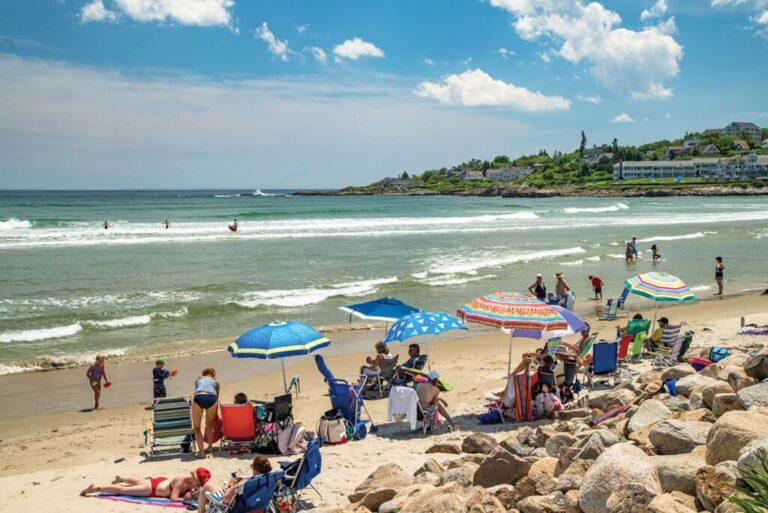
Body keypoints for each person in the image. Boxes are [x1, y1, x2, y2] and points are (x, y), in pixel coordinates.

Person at [81, 467, 210, 501]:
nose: (198, 486)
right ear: (194, 479)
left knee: (139, 481)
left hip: (160, 482)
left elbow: (198, 488)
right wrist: (185, 499)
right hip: (152, 489)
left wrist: (196, 491)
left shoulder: (190, 481)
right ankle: (96, 488)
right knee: (122, 490)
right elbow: (173, 498)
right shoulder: (181, 481)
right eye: (198, 483)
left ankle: (123, 478)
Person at [197, 457, 270, 513]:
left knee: (207, 486)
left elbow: (225, 499)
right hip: (255, 507)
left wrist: (230, 485)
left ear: (256, 470)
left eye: (252, 468)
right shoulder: (267, 480)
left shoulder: (245, 483)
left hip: (232, 507)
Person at [192, 368, 220, 459]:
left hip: (199, 396)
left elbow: (197, 388)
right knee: (209, 425)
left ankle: (202, 452)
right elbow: (217, 396)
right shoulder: (216, 382)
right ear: (212, 374)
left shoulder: (198, 380)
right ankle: (210, 447)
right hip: (212, 398)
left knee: (196, 427)